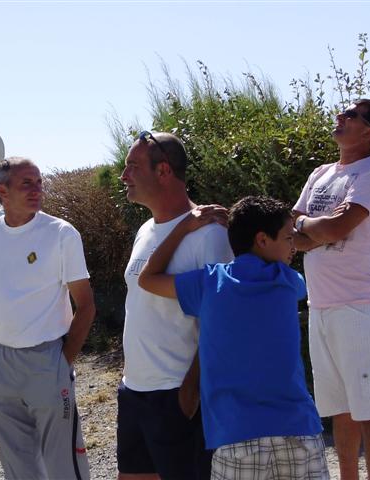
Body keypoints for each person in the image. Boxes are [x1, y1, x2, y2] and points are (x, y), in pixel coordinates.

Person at [138, 196, 328, 480]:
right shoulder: (288, 282)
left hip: (236, 434)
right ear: (262, 239)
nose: (293, 246)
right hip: (298, 429)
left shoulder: (209, 283)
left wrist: (183, 228)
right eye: (288, 238)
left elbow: (147, 278)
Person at [0, 157, 95, 480]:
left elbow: (86, 305)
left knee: (64, 466)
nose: (36, 190)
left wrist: (63, 362)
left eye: (39, 183)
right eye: (27, 184)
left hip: (46, 360)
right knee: (18, 469)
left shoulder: (61, 233)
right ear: (2, 192)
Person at [117, 131, 234, 480]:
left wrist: (190, 391)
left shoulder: (210, 234)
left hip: (177, 394)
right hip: (135, 390)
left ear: (164, 171)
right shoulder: (145, 230)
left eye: (132, 166)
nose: (124, 176)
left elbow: (222, 319)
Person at [292, 99, 370, 480]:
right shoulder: (321, 172)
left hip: (357, 307)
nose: (340, 117)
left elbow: (337, 229)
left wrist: (311, 228)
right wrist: (315, 226)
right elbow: (293, 229)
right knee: (340, 407)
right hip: (321, 306)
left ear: (368, 132)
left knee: (369, 407)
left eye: (350, 115)